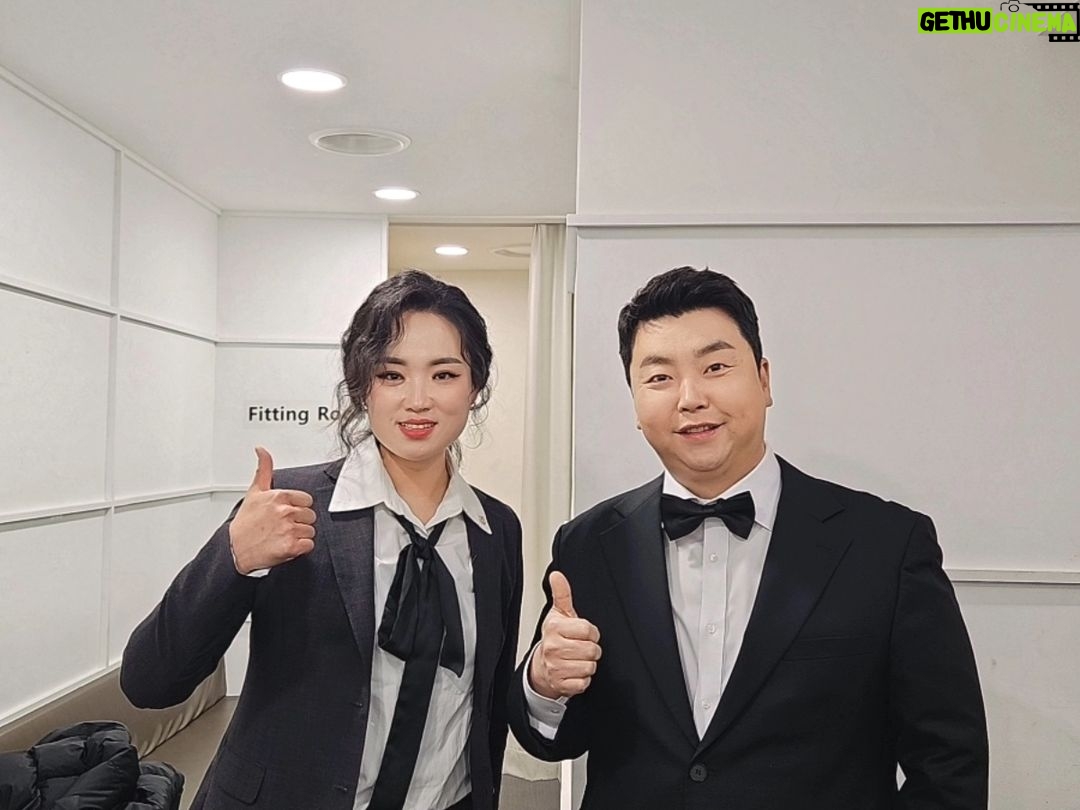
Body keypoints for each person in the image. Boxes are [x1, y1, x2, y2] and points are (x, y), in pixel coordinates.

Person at [508, 267, 988, 809]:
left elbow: (948, 761)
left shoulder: (886, 545)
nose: (690, 397)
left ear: (764, 379)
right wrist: (545, 682)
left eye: (715, 367)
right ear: (635, 403)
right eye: (660, 377)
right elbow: (554, 740)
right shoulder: (589, 543)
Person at [122, 271, 523, 810]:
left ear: (475, 388)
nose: (418, 399)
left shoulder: (497, 530)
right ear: (361, 386)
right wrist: (233, 557)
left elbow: (487, 706)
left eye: (444, 374)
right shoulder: (290, 506)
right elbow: (150, 683)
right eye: (391, 374)